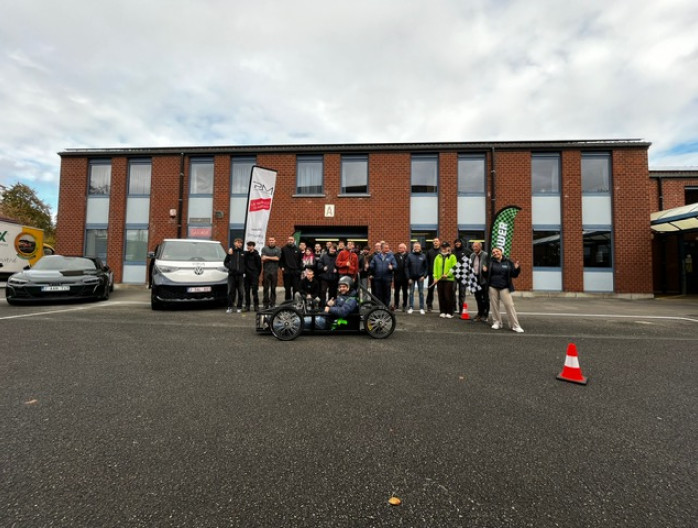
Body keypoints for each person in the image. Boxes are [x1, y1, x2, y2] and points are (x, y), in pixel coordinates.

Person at [483, 247, 523, 332]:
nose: (495, 253)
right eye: (493, 252)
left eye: (497, 251)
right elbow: (486, 275)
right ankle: (497, 322)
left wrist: (516, 268)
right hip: (492, 286)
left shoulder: (508, 262)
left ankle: (515, 325)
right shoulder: (490, 262)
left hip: (505, 287)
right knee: (494, 306)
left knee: (509, 305)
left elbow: (514, 275)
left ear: (501, 252)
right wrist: (484, 271)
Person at [433, 241, 457, 318]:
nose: (444, 249)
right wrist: (435, 277)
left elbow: (454, 267)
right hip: (440, 280)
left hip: (449, 279)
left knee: (448, 296)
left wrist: (448, 274)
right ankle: (442, 311)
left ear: (448, 248)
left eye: (445, 247)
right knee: (441, 296)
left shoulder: (452, 256)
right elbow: (435, 268)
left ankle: (450, 312)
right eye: (443, 247)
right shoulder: (438, 257)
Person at [370, 241, 397, 307]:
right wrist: (370, 266)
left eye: (388, 248)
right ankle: (378, 306)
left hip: (387, 278)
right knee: (378, 293)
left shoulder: (391, 257)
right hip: (377, 278)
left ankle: (386, 306)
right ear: (382, 249)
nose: (387, 249)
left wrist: (392, 267)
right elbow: (372, 265)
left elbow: (395, 266)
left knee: (387, 293)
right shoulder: (376, 257)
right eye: (386, 248)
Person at [405, 242, 428, 314]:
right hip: (411, 278)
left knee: (421, 292)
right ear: (413, 247)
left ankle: (421, 308)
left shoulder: (423, 256)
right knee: (411, 293)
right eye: (415, 247)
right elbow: (406, 267)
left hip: (420, 277)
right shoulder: (409, 256)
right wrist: (408, 278)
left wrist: (424, 276)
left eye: (418, 247)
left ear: (420, 248)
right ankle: (411, 307)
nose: (417, 248)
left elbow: (426, 267)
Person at [470, 241, 490, 322]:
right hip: (475, 279)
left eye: (476, 246)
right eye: (473, 246)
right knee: (478, 297)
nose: (474, 248)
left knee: (485, 298)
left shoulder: (485, 255)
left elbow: (489, 265)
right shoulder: (472, 255)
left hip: (483, 279)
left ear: (480, 247)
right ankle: (479, 313)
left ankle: (485, 314)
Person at [224, 238, 245, 313]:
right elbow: (225, 262)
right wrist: (231, 267)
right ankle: (230, 307)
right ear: (234, 243)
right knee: (230, 292)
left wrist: (243, 270)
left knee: (241, 292)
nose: (239, 244)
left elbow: (246, 263)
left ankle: (239, 307)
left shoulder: (243, 253)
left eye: (240, 243)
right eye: (238, 242)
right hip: (232, 275)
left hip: (240, 276)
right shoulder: (230, 252)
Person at [280, 235, 302, 301]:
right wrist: (282, 267)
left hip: (296, 272)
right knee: (287, 288)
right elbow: (281, 260)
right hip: (287, 272)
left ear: (294, 241)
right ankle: (287, 302)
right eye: (289, 240)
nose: (290, 241)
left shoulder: (298, 249)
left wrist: (299, 270)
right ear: (287, 241)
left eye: (291, 240)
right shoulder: (283, 249)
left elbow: (300, 261)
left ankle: (295, 302)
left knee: (296, 288)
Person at [261, 236, 281, 309]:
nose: (271, 241)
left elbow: (277, 258)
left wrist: (267, 257)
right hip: (266, 271)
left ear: (275, 241)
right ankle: (265, 304)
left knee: (273, 288)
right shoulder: (264, 249)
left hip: (274, 272)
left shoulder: (278, 249)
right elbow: (263, 258)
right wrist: (272, 258)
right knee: (265, 288)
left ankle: (272, 304)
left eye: (272, 240)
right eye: (270, 240)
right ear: (268, 241)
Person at [452, 238, 471, 315]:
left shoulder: (467, 251)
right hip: (454, 273)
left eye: (459, 242)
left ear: (462, 243)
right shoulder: (452, 252)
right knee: (452, 290)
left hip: (464, 274)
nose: (457, 243)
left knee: (462, 292)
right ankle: (453, 307)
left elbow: (471, 260)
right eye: (456, 242)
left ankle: (461, 309)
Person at [243, 241, 261, 311]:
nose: (249, 247)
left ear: (253, 246)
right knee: (247, 291)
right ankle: (247, 306)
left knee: (254, 291)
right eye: (248, 246)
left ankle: (256, 306)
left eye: (250, 246)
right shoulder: (245, 255)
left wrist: (256, 274)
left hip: (254, 276)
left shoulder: (257, 256)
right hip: (247, 276)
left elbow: (259, 267)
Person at [392, 243, 409, 312]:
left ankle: (404, 305)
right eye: (399, 247)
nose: (400, 249)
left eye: (401, 248)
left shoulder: (408, 255)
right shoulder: (395, 255)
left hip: (405, 277)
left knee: (405, 292)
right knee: (396, 292)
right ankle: (396, 304)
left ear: (405, 249)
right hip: (397, 277)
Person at [425, 237, 441, 312]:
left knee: (441, 291)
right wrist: (427, 272)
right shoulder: (429, 252)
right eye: (434, 241)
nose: (435, 242)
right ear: (433, 243)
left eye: (436, 241)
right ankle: (429, 305)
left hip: (441, 274)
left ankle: (442, 305)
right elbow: (427, 263)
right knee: (430, 290)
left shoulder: (442, 251)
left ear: (439, 242)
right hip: (432, 274)